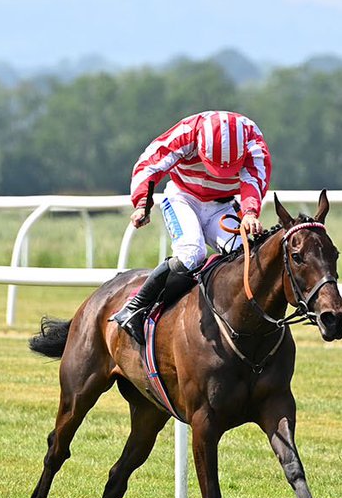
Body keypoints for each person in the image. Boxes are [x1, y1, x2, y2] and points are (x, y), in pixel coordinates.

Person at [110, 110, 272, 340]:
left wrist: (249, 213)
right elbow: (150, 165)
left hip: (222, 205)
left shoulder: (252, 141)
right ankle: (134, 309)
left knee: (243, 256)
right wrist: (141, 204)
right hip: (182, 198)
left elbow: (253, 179)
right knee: (192, 252)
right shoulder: (187, 132)